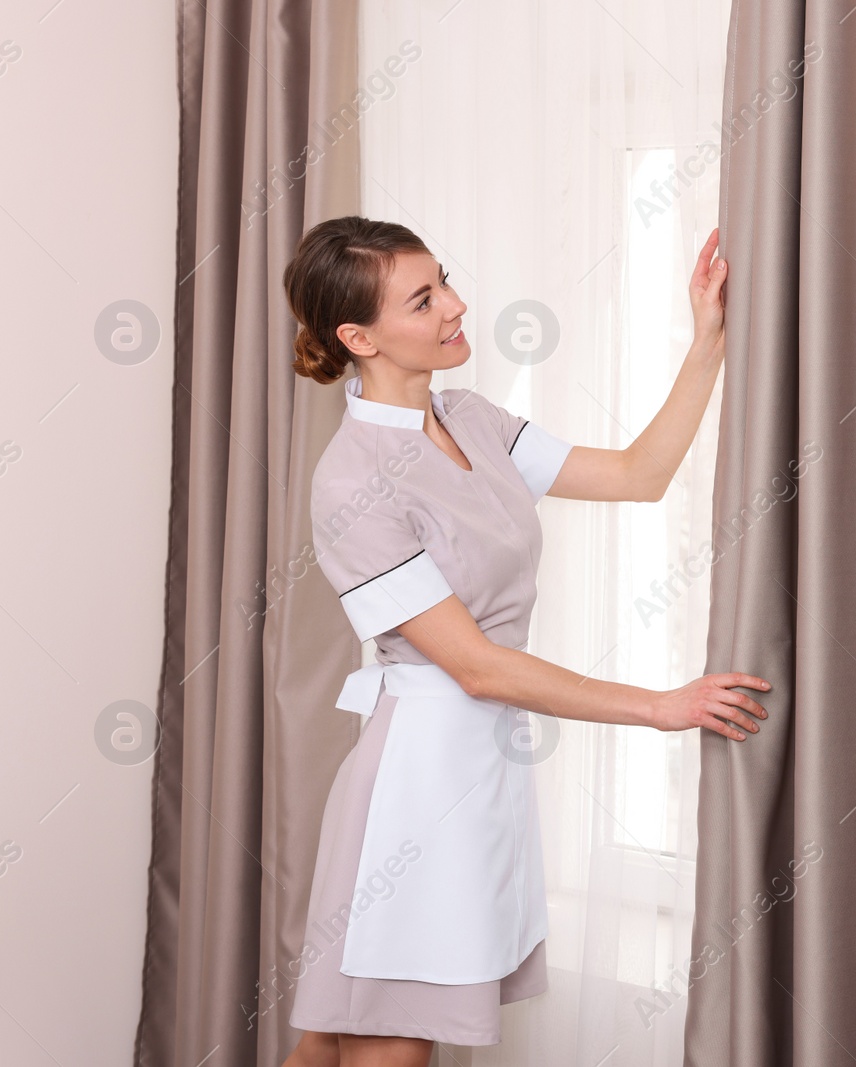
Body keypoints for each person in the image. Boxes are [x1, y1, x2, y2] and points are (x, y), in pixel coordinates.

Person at [277, 215, 771, 1067]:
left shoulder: (469, 416)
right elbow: (474, 665)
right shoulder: (351, 480)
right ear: (358, 336)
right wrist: (661, 706)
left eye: (446, 280)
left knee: (338, 1035)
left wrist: (708, 342)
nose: (457, 305)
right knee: (389, 1040)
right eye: (424, 298)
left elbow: (636, 475)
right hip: (418, 785)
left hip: (480, 769)